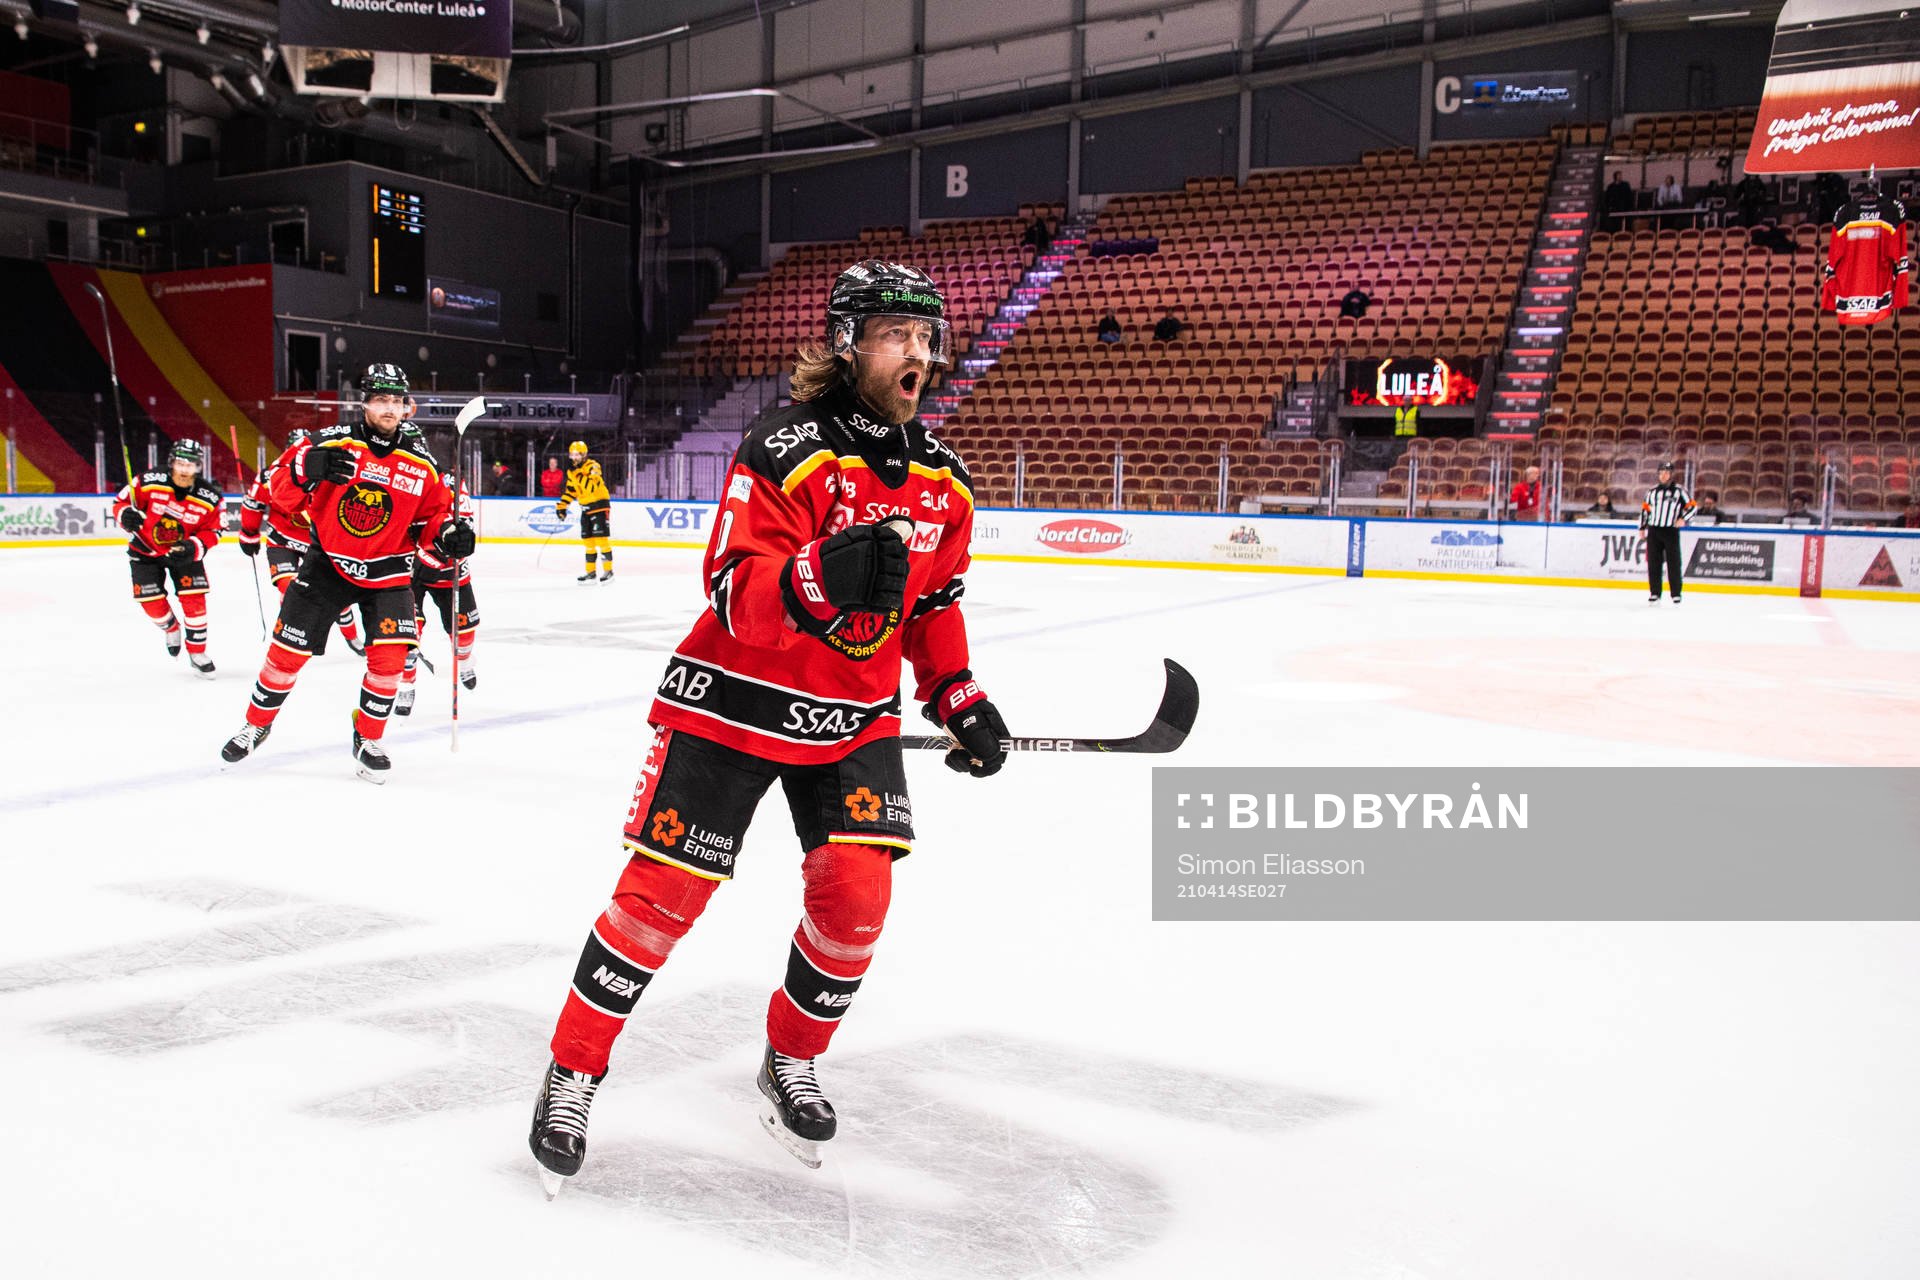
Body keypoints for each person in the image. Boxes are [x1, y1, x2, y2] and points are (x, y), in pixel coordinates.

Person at [527, 259, 1005, 1196]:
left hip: (852, 721)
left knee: (858, 902)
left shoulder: (946, 484)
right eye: (895, 335)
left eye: (926, 336)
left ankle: (791, 1058)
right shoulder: (788, 447)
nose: (917, 353)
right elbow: (733, 589)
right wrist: (816, 578)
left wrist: (957, 695)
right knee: (658, 903)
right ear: (848, 344)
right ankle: (572, 1072)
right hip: (730, 707)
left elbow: (933, 607)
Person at [217, 362, 474, 783]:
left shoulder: (422, 466)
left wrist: (449, 535)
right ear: (364, 403)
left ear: (406, 407)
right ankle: (255, 725)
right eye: (381, 399)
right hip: (328, 565)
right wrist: (303, 471)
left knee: (389, 662)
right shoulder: (329, 443)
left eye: (396, 400)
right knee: (285, 655)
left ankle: (368, 738)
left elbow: (429, 524)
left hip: (388, 574)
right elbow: (277, 493)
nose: (389, 408)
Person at [237, 427, 364, 656]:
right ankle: (294, 636)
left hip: (318, 544)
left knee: (338, 597)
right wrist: (249, 532)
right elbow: (254, 502)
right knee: (291, 590)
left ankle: (351, 635)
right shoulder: (272, 475)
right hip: (282, 540)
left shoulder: (331, 472)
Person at [113, 438, 225, 678]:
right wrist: (125, 515)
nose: (185, 470)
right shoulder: (148, 481)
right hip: (145, 549)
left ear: (199, 467)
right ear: (172, 462)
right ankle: (171, 627)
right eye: (181, 463)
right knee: (151, 603)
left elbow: (215, 531)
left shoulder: (210, 497)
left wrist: (193, 547)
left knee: (195, 602)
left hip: (183, 554)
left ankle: (197, 653)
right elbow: (120, 502)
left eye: (191, 465)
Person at [396, 471, 480, 717]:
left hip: (450, 571)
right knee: (406, 635)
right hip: (411, 572)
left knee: (464, 632)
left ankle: (464, 662)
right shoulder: (403, 475)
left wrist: (449, 547)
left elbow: (465, 530)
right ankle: (406, 686)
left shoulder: (450, 481)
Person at [556, 440, 613, 581]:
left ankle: (608, 570)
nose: (574, 458)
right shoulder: (572, 472)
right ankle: (590, 572)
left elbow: (592, 486)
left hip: (599, 505)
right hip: (585, 507)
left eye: (577, 455)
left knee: (601, 539)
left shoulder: (593, 466)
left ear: (584, 455)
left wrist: (578, 474)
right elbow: (571, 491)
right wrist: (562, 506)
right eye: (572, 454)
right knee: (588, 541)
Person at [1640, 461, 1694, 603]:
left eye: (1666, 473)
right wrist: (1642, 528)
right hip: (1654, 530)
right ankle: (1655, 593)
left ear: (1671, 474)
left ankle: (1676, 593)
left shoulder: (1679, 491)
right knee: (1653, 563)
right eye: (1661, 473)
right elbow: (1645, 510)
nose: (1663, 475)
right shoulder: (1652, 492)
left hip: (1670, 530)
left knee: (1674, 562)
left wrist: (1684, 519)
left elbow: (1693, 507)